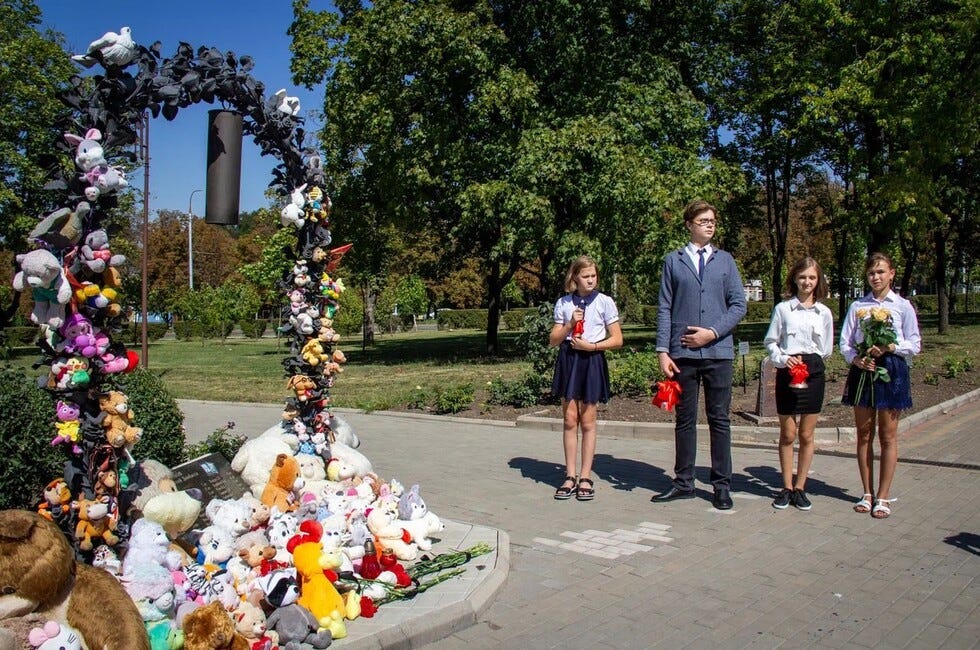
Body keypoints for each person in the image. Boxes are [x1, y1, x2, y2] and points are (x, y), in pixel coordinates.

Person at [652, 200, 747, 510]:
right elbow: (665, 306)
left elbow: (739, 305)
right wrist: (663, 350)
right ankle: (683, 482)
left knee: (719, 419)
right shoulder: (673, 260)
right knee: (684, 420)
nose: (710, 225)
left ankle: (721, 486)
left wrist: (712, 332)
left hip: (718, 352)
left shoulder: (725, 261)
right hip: (683, 353)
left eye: (713, 221)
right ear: (689, 224)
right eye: (704, 220)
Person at [839, 253, 921, 519]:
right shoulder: (858, 306)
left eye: (881, 272)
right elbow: (845, 342)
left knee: (887, 435)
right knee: (864, 434)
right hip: (864, 370)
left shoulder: (902, 306)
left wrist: (891, 346)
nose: (876, 277)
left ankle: (883, 496)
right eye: (871, 273)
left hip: (891, 371)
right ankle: (867, 492)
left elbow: (915, 344)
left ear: (892, 274)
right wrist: (856, 359)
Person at [549, 255, 623, 501]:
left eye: (593, 276)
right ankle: (569, 475)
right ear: (575, 277)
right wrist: (570, 324)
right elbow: (553, 340)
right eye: (585, 276)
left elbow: (617, 339)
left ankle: (585, 476)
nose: (591, 280)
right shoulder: (564, 303)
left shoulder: (604, 302)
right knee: (570, 419)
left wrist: (592, 346)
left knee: (588, 421)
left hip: (591, 358)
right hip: (569, 359)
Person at [763, 257, 834, 511]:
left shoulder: (824, 313)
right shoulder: (783, 309)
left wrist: (811, 362)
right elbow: (771, 342)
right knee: (788, 433)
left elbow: (826, 348)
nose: (807, 282)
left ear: (818, 280)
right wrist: (784, 359)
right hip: (788, 370)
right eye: (803, 277)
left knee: (806, 434)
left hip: (812, 372)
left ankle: (801, 487)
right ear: (795, 278)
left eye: (812, 277)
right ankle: (786, 487)